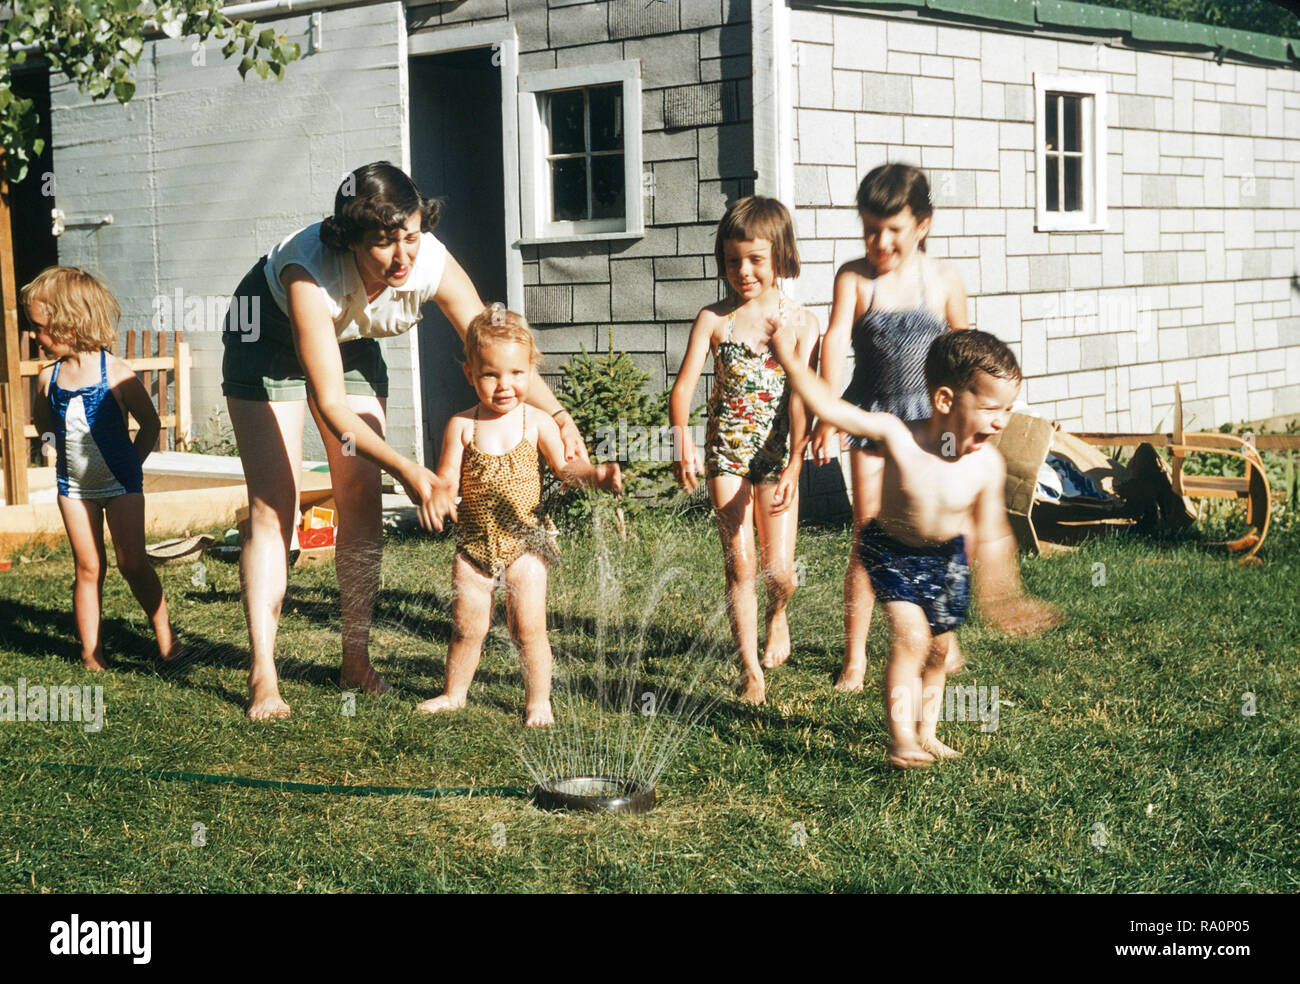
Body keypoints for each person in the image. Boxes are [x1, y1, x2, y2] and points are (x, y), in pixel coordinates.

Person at [222, 162, 588, 720]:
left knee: (361, 496)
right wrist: (412, 472)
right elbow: (331, 407)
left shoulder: (429, 259)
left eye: (412, 237)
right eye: (385, 243)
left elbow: (496, 345)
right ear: (349, 240)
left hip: (351, 339)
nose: (404, 257)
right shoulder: (307, 275)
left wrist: (559, 416)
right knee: (277, 504)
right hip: (266, 338)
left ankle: (355, 659)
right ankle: (264, 677)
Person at [769, 323, 1063, 768]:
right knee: (911, 638)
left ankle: (928, 733)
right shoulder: (899, 436)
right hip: (892, 552)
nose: (1001, 421)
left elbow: (994, 534)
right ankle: (901, 738)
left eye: (1007, 409)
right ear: (945, 400)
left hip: (946, 561)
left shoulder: (987, 465)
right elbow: (831, 407)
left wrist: (1005, 596)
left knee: (940, 651)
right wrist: (791, 362)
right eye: (989, 408)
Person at [416, 305, 621, 725]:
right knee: (467, 627)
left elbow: (566, 469)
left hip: (526, 543)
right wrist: (440, 497)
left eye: (516, 373)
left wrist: (597, 476)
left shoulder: (538, 422)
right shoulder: (462, 425)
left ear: (532, 370)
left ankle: (538, 701)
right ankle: (455, 694)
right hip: (473, 545)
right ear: (470, 374)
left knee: (528, 629)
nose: (504, 385)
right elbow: (447, 478)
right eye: (490, 374)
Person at [812, 164, 970, 692]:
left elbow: (964, 353)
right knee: (869, 531)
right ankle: (855, 656)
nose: (880, 242)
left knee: (939, 527)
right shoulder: (855, 277)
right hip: (873, 417)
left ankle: (942, 640)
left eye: (893, 230)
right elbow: (835, 343)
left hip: (931, 424)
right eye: (869, 229)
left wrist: (969, 419)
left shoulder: (944, 280)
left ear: (922, 224)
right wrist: (826, 414)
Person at [669, 196, 818, 704]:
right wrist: (682, 440)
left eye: (755, 259)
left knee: (780, 570)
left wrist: (797, 458)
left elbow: (801, 396)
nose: (743, 271)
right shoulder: (715, 319)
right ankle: (749, 668)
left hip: (777, 455)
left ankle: (779, 614)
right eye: (733, 260)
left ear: (781, 255)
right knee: (740, 563)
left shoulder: (800, 322)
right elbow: (684, 388)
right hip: (726, 453)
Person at [24, 267, 181, 671]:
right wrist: (53, 449)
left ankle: (164, 631)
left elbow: (150, 424)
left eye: (41, 329)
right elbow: (44, 424)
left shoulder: (117, 374)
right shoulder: (48, 378)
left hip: (121, 482)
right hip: (74, 487)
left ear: (69, 324)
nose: (36, 337)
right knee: (89, 566)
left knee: (132, 562)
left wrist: (133, 466)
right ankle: (91, 653)